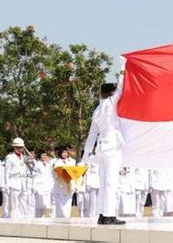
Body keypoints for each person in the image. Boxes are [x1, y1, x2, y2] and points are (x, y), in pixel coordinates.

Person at [82, 58, 126, 225]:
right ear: (110, 93)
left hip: (100, 148)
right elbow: (121, 89)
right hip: (112, 147)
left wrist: (86, 154)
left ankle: (102, 214)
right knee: (111, 182)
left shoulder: (97, 110)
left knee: (103, 182)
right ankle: (109, 215)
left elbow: (91, 135)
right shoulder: (110, 103)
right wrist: (122, 69)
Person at [4, 137, 29, 218]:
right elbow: (6, 173)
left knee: (23, 203)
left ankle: (22, 221)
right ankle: (13, 221)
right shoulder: (9, 157)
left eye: (21, 147)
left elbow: (27, 170)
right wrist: (7, 185)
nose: (20, 149)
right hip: (14, 183)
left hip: (23, 183)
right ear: (14, 147)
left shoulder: (25, 157)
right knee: (14, 205)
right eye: (18, 147)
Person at [52, 146, 74, 218]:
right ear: (60, 153)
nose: (65, 154)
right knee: (60, 205)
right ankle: (60, 218)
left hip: (68, 186)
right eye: (63, 152)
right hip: (60, 186)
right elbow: (54, 174)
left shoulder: (71, 162)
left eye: (66, 152)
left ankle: (67, 217)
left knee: (68, 203)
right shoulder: (57, 162)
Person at [33, 150, 54, 218]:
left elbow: (50, 175)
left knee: (46, 204)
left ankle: (45, 217)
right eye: (42, 155)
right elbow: (34, 175)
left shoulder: (48, 165)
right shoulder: (37, 164)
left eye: (45, 155)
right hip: (39, 186)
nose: (44, 156)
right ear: (40, 156)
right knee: (39, 203)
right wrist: (34, 186)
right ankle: (38, 217)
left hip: (47, 185)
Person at [84, 153, 100, 218]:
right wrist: (87, 183)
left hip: (100, 182)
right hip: (92, 182)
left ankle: (97, 214)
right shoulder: (90, 158)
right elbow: (88, 172)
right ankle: (91, 215)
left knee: (99, 200)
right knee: (92, 201)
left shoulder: (102, 157)